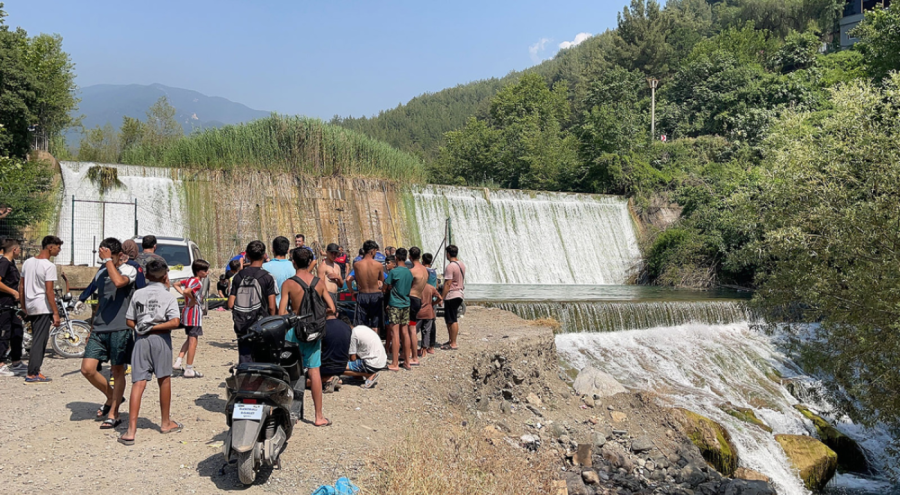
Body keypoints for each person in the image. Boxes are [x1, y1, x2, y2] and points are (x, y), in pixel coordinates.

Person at [119, 258, 182, 445]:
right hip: (161, 339)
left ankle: (131, 430)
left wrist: (142, 326)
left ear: (146, 275)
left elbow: (129, 320)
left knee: (138, 383)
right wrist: (155, 327)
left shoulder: (138, 294)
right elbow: (175, 322)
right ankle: (165, 422)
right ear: (165, 277)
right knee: (164, 380)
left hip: (140, 340)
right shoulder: (168, 296)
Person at [80, 237, 138, 428]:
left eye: (107, 255)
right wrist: (91, 327)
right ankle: (113, 396)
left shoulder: (129, 269)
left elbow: (119, 282)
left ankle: (114, 412)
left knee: (117, 370)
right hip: (99, 328)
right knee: (87, 369)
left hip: (120, 328)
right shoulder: (101, 272)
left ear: (119, 255)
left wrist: (108, 262)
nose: (103, 259)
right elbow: (99, 300)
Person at [278, 247, 335, 427]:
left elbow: (281, 314)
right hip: (313, 331)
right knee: (314, 371)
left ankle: (287, 413)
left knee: (288, 371)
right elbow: (332, 308)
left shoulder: (288, 283)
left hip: (293, 331)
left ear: (293, 262)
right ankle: (319, 416)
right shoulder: (319, 282)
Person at [19, 235, 63, 383]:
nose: (59, 250)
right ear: (50, 247)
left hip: (30, 304)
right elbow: (49, 291)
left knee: (36, 337)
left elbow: (21, 286)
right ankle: (33, 373)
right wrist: (55, 313)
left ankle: (33, 370)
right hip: (43, 306)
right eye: (58, 247)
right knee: (40, 340)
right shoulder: (49, 266)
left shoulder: (28, 262)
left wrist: (23, 305)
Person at [228, 240, 277, 363]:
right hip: (262, 325)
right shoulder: (268, 277)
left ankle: (245, 380)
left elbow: (230, 304)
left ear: (247, 257)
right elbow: (271, 306)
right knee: (262, 359)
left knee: (245, 358)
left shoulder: (238, 277)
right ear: (264, 255)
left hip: (242, 325)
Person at [173, 259, 209, 378]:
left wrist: (184, 294)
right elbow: (188, 291)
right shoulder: (197, 283)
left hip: (187, 312)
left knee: (189, 338)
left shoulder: (189, 279)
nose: (207, 272)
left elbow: (176, 284)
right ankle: (189, 368)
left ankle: (179, 360)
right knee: (193, 341)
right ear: (199, 271)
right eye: (205, 270)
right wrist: (191, 298)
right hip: (194, 313)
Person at [384, 248, 414, 370]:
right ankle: (407, 361)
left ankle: (395, 363)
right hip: (406, 303)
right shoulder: (409, 272)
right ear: (406, 258)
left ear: (396, 258)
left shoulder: (394, 272)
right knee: (405, 333)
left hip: (395, 304)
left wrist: (386, 287)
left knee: (395, 333)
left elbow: (385, 287)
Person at [0, 239, 26, 377]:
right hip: (3, 305)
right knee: (4, 333)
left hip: (12, 306)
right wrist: (13, 292)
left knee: (17, 332)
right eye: (19, 249)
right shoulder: (3, 263)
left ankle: (16, 361)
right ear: (14, 250)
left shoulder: (12, 263)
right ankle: (1, 363)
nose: (20, 252)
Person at [349, 240, 384, 331]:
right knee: (375, 324)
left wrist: (352, 291)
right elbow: (381, 280)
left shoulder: (357, 265)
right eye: (376, 251)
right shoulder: (378, 265)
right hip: (376, 295)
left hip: (362, 295)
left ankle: (363, 344)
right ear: (372, 251)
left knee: (362, 324)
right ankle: (375, 344)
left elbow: (349, 279)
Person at [343, 325, 386, 389]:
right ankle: (360, 376)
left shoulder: (352, 335)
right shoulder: (361, 328)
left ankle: (367, 375)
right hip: (381, 360)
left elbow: (352, 358)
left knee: (339, 368)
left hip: (371, 363)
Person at [441, 245, 466, 350]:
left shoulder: (450, 266)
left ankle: (453, 343)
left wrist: (441, 297)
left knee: (452, 319)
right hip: (459, 293)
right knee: (450, 319)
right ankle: (451, 340)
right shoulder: (461, 264)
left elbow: (447, 283)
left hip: (452, 295)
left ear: (448, 254)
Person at [319, 314, 351, 393]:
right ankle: (335, 379)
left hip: (325, 367)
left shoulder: (322, 327)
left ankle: (327, 379)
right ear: (336, 314)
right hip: (342, 367)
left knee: (303, 381)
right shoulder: (347, 327)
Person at [262, 236, 293, 308]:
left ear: (272, 249)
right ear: (288, 250)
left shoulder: (263, 267)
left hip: (270, 310)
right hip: (290, 311)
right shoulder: (295, 267)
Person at [417, 281, 442, 358]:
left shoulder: (416, 287)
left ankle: (412, 349)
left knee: (413, 331)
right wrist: (433, 303)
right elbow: (440, 298)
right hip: (429, 312)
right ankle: (424, 349)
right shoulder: (431, 287)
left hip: (418, 313)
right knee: (426, 331)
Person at [407, 247, 427, 343]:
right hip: (418, 299)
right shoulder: (425, 270)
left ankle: (407, 351)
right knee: (413, 327)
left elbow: (406, 287)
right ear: (419, 256)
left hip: (411, 299)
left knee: (408, 328)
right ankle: (414, 355)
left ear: (409, 257)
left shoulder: (412, 271)